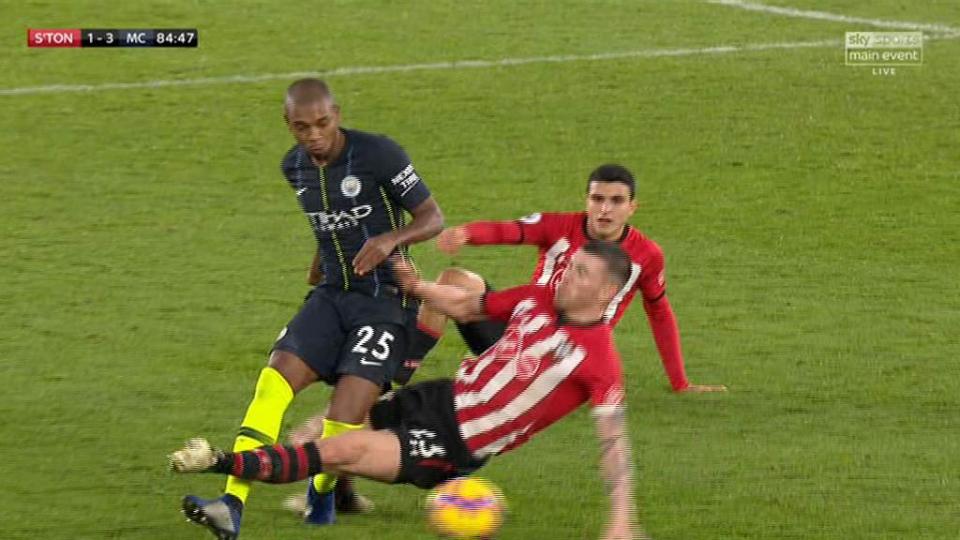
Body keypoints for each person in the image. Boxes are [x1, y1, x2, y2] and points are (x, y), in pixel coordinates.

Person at [172, 240, 649, 540]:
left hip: (455, 441)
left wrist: (622, 517)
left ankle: (216, 463)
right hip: (437, 397)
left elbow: (613, 444)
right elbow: (469, 305)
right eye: (571, 266)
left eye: (582, 273)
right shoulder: (539, 298)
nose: (566, 274)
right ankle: (336, 498)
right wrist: (417, 287)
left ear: (606, 293)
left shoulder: (600, 362)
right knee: (310, 433)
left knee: (343, 448)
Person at [179, 78, 444, 540]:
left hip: (383, 304)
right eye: (302, 127)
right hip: (330, 297)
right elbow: (329, 223)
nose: (314, 135)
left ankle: (322, 499)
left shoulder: (378, 154)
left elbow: (432, 217)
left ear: (336, 114)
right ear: (289, 125)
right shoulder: (293, 167)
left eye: (322, 123)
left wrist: (389, 240)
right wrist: (320, 260)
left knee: (345, 411)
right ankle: (230, 506)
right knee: (271, 386)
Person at [398, 163, 725, 393]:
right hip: (520, 333)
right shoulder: (559, 227)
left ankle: (497, 376)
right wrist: (469, 233)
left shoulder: (647, 255)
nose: (605, 210)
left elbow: (659, 313)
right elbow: (511, 230)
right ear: (587, 201)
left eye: (616, 201)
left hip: (570, 354)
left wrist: (680, 382)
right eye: (597, 199)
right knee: (453, 278)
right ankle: (401, 371)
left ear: (632, 207)